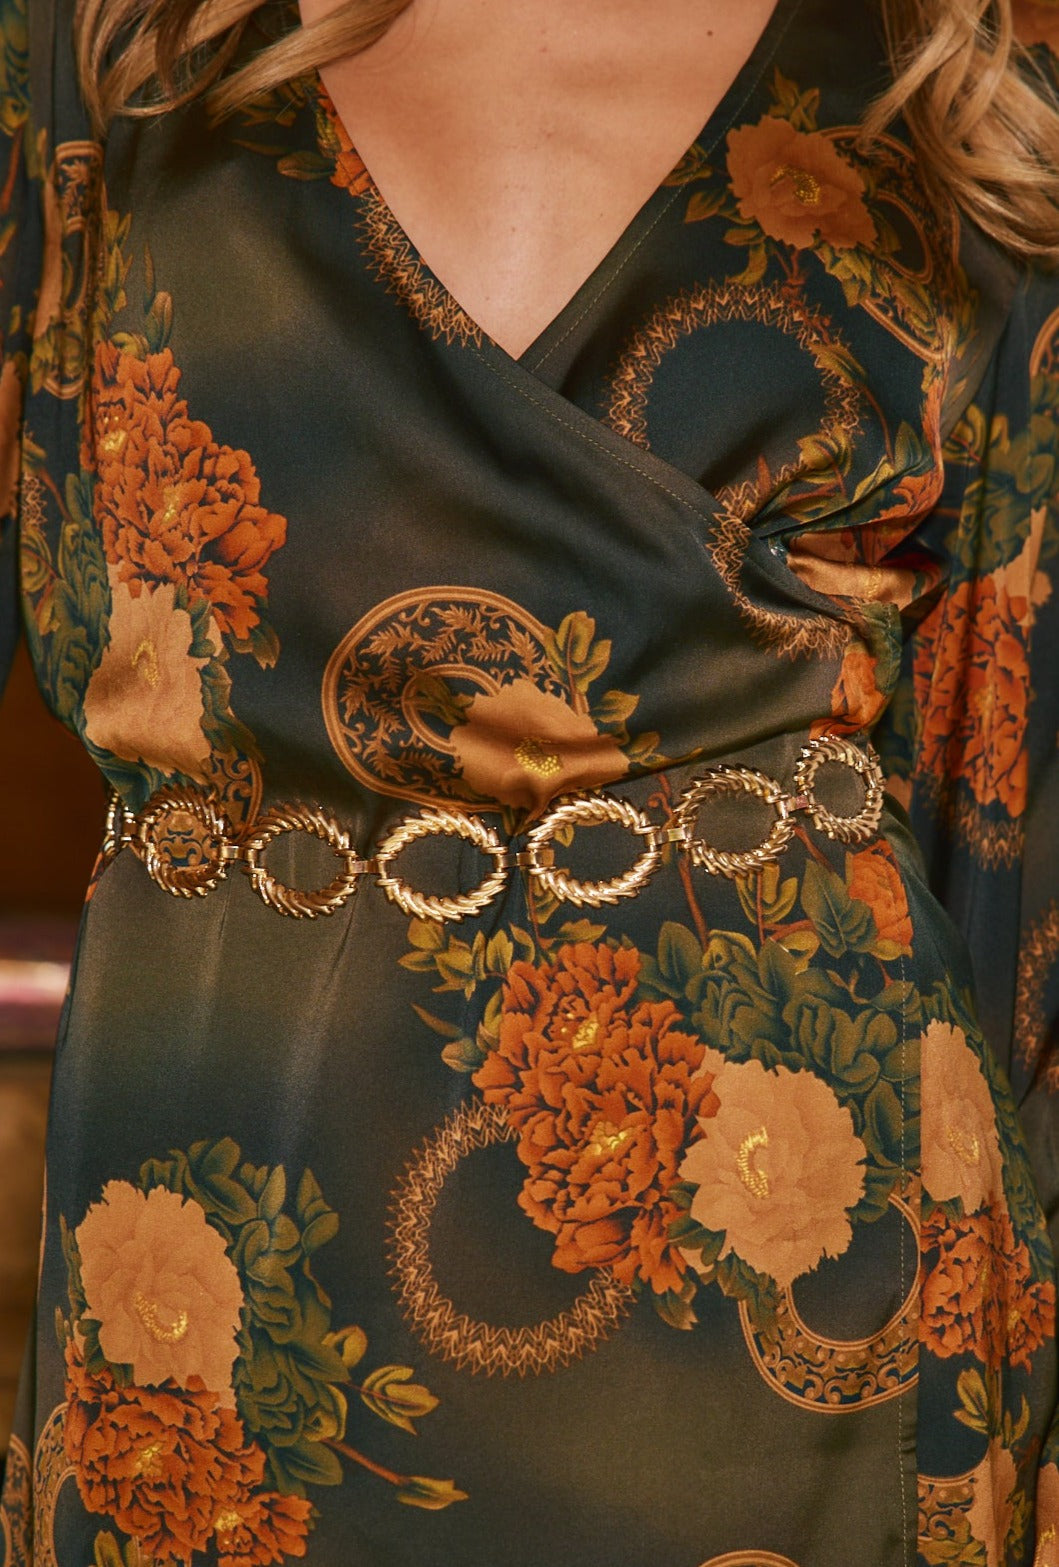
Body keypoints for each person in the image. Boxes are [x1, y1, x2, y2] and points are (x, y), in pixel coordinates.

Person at [1, 0, 1058, 1560]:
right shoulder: (110, 45)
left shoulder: (959, 111)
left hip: (793, 1261)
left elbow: (1020, 840)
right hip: (208, 1285)